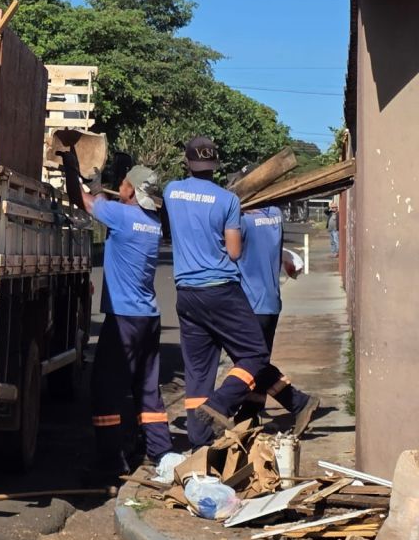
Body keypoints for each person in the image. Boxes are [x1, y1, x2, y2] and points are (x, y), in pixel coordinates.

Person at [163, 136, 270, 448]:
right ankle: (220, 403)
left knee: (198, 371)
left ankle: (199, 440)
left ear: (187, 162)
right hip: (221, 289)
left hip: (186, 293)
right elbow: (234, 252)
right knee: (255, 354)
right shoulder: (228, 200)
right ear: (216, 164)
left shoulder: (171, 191)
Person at [79, 163, 173, 475]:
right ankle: (160, 451)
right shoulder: (152, 222)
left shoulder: (122, 216)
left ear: (130, 189)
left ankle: (111, 460)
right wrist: (97, 188)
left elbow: (83, 201)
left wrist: (69, 170)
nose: (119, 186)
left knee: (105, 387)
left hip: (124, 319)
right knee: (147, 387)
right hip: (148, 317)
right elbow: (100, 203)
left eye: (122, 183)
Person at [235, 205, 322, 435]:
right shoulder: (275, 215)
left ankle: (299, 402)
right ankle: (249, 413)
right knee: (258, 360)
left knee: (252, 362)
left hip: (250, 302)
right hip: (270, 301)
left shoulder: (241, 219)